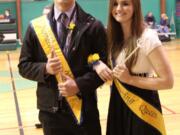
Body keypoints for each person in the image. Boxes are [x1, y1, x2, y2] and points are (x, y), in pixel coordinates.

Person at [18, 0, 107, 135]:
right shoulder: (36, 27)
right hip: (51, 114)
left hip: (85, 112)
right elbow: (24, 66)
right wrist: (45, 69)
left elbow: (105, 68)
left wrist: (79, 85)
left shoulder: (94, 26)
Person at [93, 0, 174, 135]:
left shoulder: (148, 38)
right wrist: (97, 64)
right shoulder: (111, 37)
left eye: (125, 3)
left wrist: (129, 79)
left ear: (135, 6)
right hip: (118, 101)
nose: (119, 8)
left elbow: (168, 82)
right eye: (115, 4)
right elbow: (95, 59)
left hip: (143, 104)